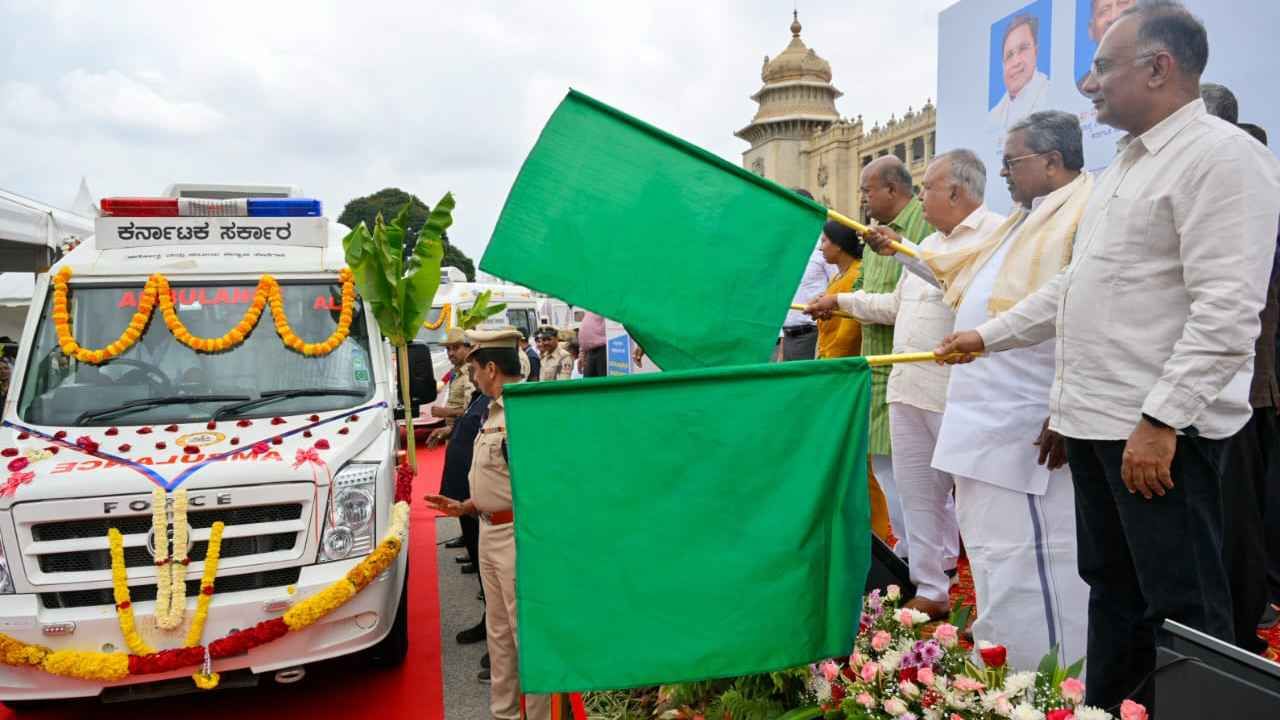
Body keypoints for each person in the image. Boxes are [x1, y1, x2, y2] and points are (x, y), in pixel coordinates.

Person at [937, 3, 1280, 708]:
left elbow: (1226, 313)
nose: (1089, 86)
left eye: (1103, 67)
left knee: (1183, 616)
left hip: (1158, 439)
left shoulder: (1222, 158)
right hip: (1098, 425)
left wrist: (1161, 420)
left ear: (1159, 68)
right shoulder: (1124, 167)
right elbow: (1077, 285)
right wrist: (987, 337)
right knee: (1114, 595)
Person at [876, 111, 1093, 669]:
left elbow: (1074, 313)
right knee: (994, 557)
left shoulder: (1081, 215)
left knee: (1035, 561)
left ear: (1051, 161)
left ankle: (1045, 682)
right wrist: (900, 252)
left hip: (1027, 423)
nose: (1004, 173)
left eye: (1012, 161)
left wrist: (1057, 397)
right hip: (981, 419)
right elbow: (953, 274)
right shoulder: (1020, 223)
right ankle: (1001, 668)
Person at [810, 150, 1005, 618]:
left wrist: (900, 249)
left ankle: (996, 604)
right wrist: (839, 302)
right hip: (907, 385)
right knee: (916, 494)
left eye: (929, 189)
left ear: (956, 192)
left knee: (972, 503)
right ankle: (931, 588)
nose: (922, 198)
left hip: (954, 391)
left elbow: (952, 277)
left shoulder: (994, 237)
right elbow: (895, 306)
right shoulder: (930, 244)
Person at [425, 329, 550, 720]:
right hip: (488, 529)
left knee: (524, 636)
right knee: (498, 635)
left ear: (492, 368)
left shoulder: (521, 414)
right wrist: (468, 505)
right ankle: (505, 712)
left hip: (515, 538)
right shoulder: (491, 409)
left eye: (476, 369)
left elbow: (535, 489)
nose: (473, 376)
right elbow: (499, 478)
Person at [1201, 84, 1280, 651]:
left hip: (1247, 380)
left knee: (1241, 510)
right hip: (1226, 380)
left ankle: (1246, 621)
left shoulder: (1249, 177)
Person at [853, 156, 937, 564]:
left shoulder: (924, 227)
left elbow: (898, 304)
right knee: (890, 469)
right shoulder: (872, 237)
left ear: (891, 189)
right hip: (878, 361)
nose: (864, 199)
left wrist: (846, 302)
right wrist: (842, 302)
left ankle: (927, 558)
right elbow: (866, 288)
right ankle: (912, 551)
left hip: (912, 362)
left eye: (868, 190)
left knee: (915, 475)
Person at [813, 220, 892, 542]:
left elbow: (850, 333)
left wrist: (830, 364)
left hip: (848, 375)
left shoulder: (857, 273)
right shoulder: (839, 276)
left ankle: (880, 531)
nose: (820, 248)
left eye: (825, 241)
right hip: (834, 372)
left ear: (840, 243)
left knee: (868, 459)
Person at [431, 331, 490, 648]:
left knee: (492, 575)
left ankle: (498, 640)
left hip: (481, 503)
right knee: (480, 563)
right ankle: (489, 624)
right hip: (466, 496)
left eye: (476, 367)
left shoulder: (498, 404)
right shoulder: (480, 399)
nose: (472, 372)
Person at [781, 188, 837, 361]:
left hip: (812, 334)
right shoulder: (788, 250)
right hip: (788, 336)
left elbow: (837, 287)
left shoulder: (825, 247)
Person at [990, 14, 1050, 134]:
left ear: (1036, 51)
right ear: (1003, 65)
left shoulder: (1050, 94)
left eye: (1023, 48)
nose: (1016, 62)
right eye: (1009, 55)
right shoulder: (992, 117)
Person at [427, 329, 476, 447]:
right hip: (454, 433)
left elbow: (473, 411)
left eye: (456, 348)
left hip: (465, 437)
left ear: (468, 348)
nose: (450, 353)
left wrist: (446, 412)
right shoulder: (456, 372)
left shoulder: (471, 373)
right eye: (448, 349)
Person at [1079, 0, 1136, 91]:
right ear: (1091, 30)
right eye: (1104, 11)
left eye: (1123, 3)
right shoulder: (1085, 89)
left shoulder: (1161, 80)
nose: (1114, 17)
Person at [579, 312, 607, 377]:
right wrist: (581, 354)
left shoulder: (604, 305)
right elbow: (584, 332)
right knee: (588, 383)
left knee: (602, 382)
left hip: (603, 349)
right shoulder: (590, 308)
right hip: (590, 351)